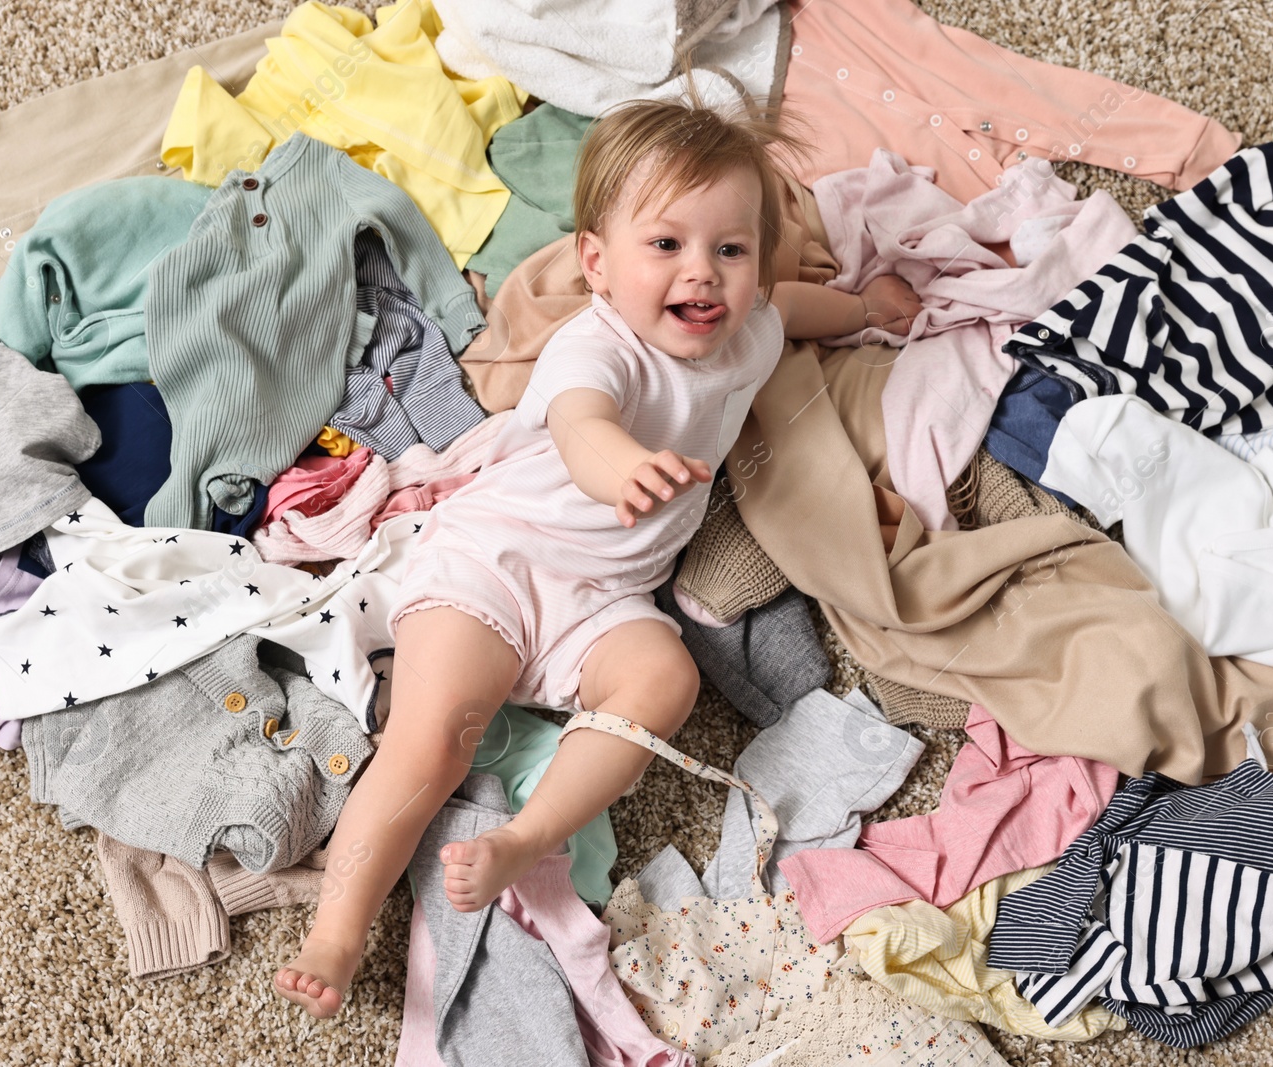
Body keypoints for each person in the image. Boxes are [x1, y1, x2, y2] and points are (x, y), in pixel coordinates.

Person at [274, 97, 921, 1018]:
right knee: (430, 742)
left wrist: (862, 307)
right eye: (665, 246)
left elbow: (791, 310)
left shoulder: (751, 330)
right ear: (596, 264)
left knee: (665, 678)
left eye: (730, 251)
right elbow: (582, 424)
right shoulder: (597, 346)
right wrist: (621, 467)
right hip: (497, 559)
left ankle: (523, 838)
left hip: (607, 592)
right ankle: (337, 929)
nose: (703, 274)